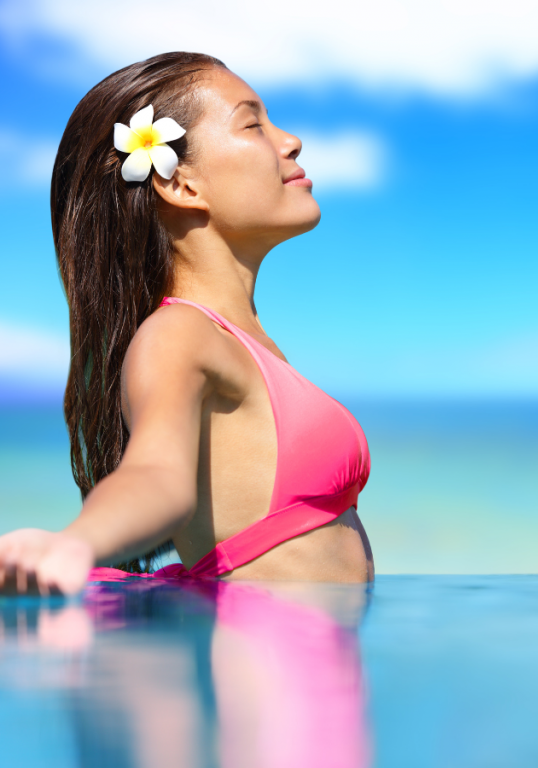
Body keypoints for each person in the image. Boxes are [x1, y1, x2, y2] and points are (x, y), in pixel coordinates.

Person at [0, 52, 373, 596]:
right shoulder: (179, 337)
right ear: (182, 186)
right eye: (253, 124)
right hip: (272, 675)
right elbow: (156, 476)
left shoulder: (242, 341)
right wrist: (76, 541)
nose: (290, 140)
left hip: (307, 673)